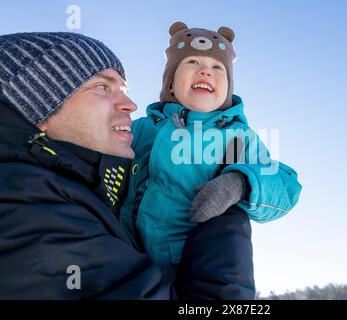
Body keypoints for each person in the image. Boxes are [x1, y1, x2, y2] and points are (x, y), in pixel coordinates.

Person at [0, 32, 255, 299]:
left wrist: (240, 182)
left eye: (124, 90)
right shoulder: (24, 203)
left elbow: (281, 181)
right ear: (38, 103)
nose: (131, 105)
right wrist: (226, 219)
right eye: (103, 87)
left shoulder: (74, 195)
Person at [120, 22, 302, 281]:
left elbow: (286, 187)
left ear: (228, 88)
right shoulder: (143, 128)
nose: (206, 71)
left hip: (192, 268)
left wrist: (239, 182)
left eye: (218, 67)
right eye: (192, 62)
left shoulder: (234, 137)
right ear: (171, 82)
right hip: (128, 263)